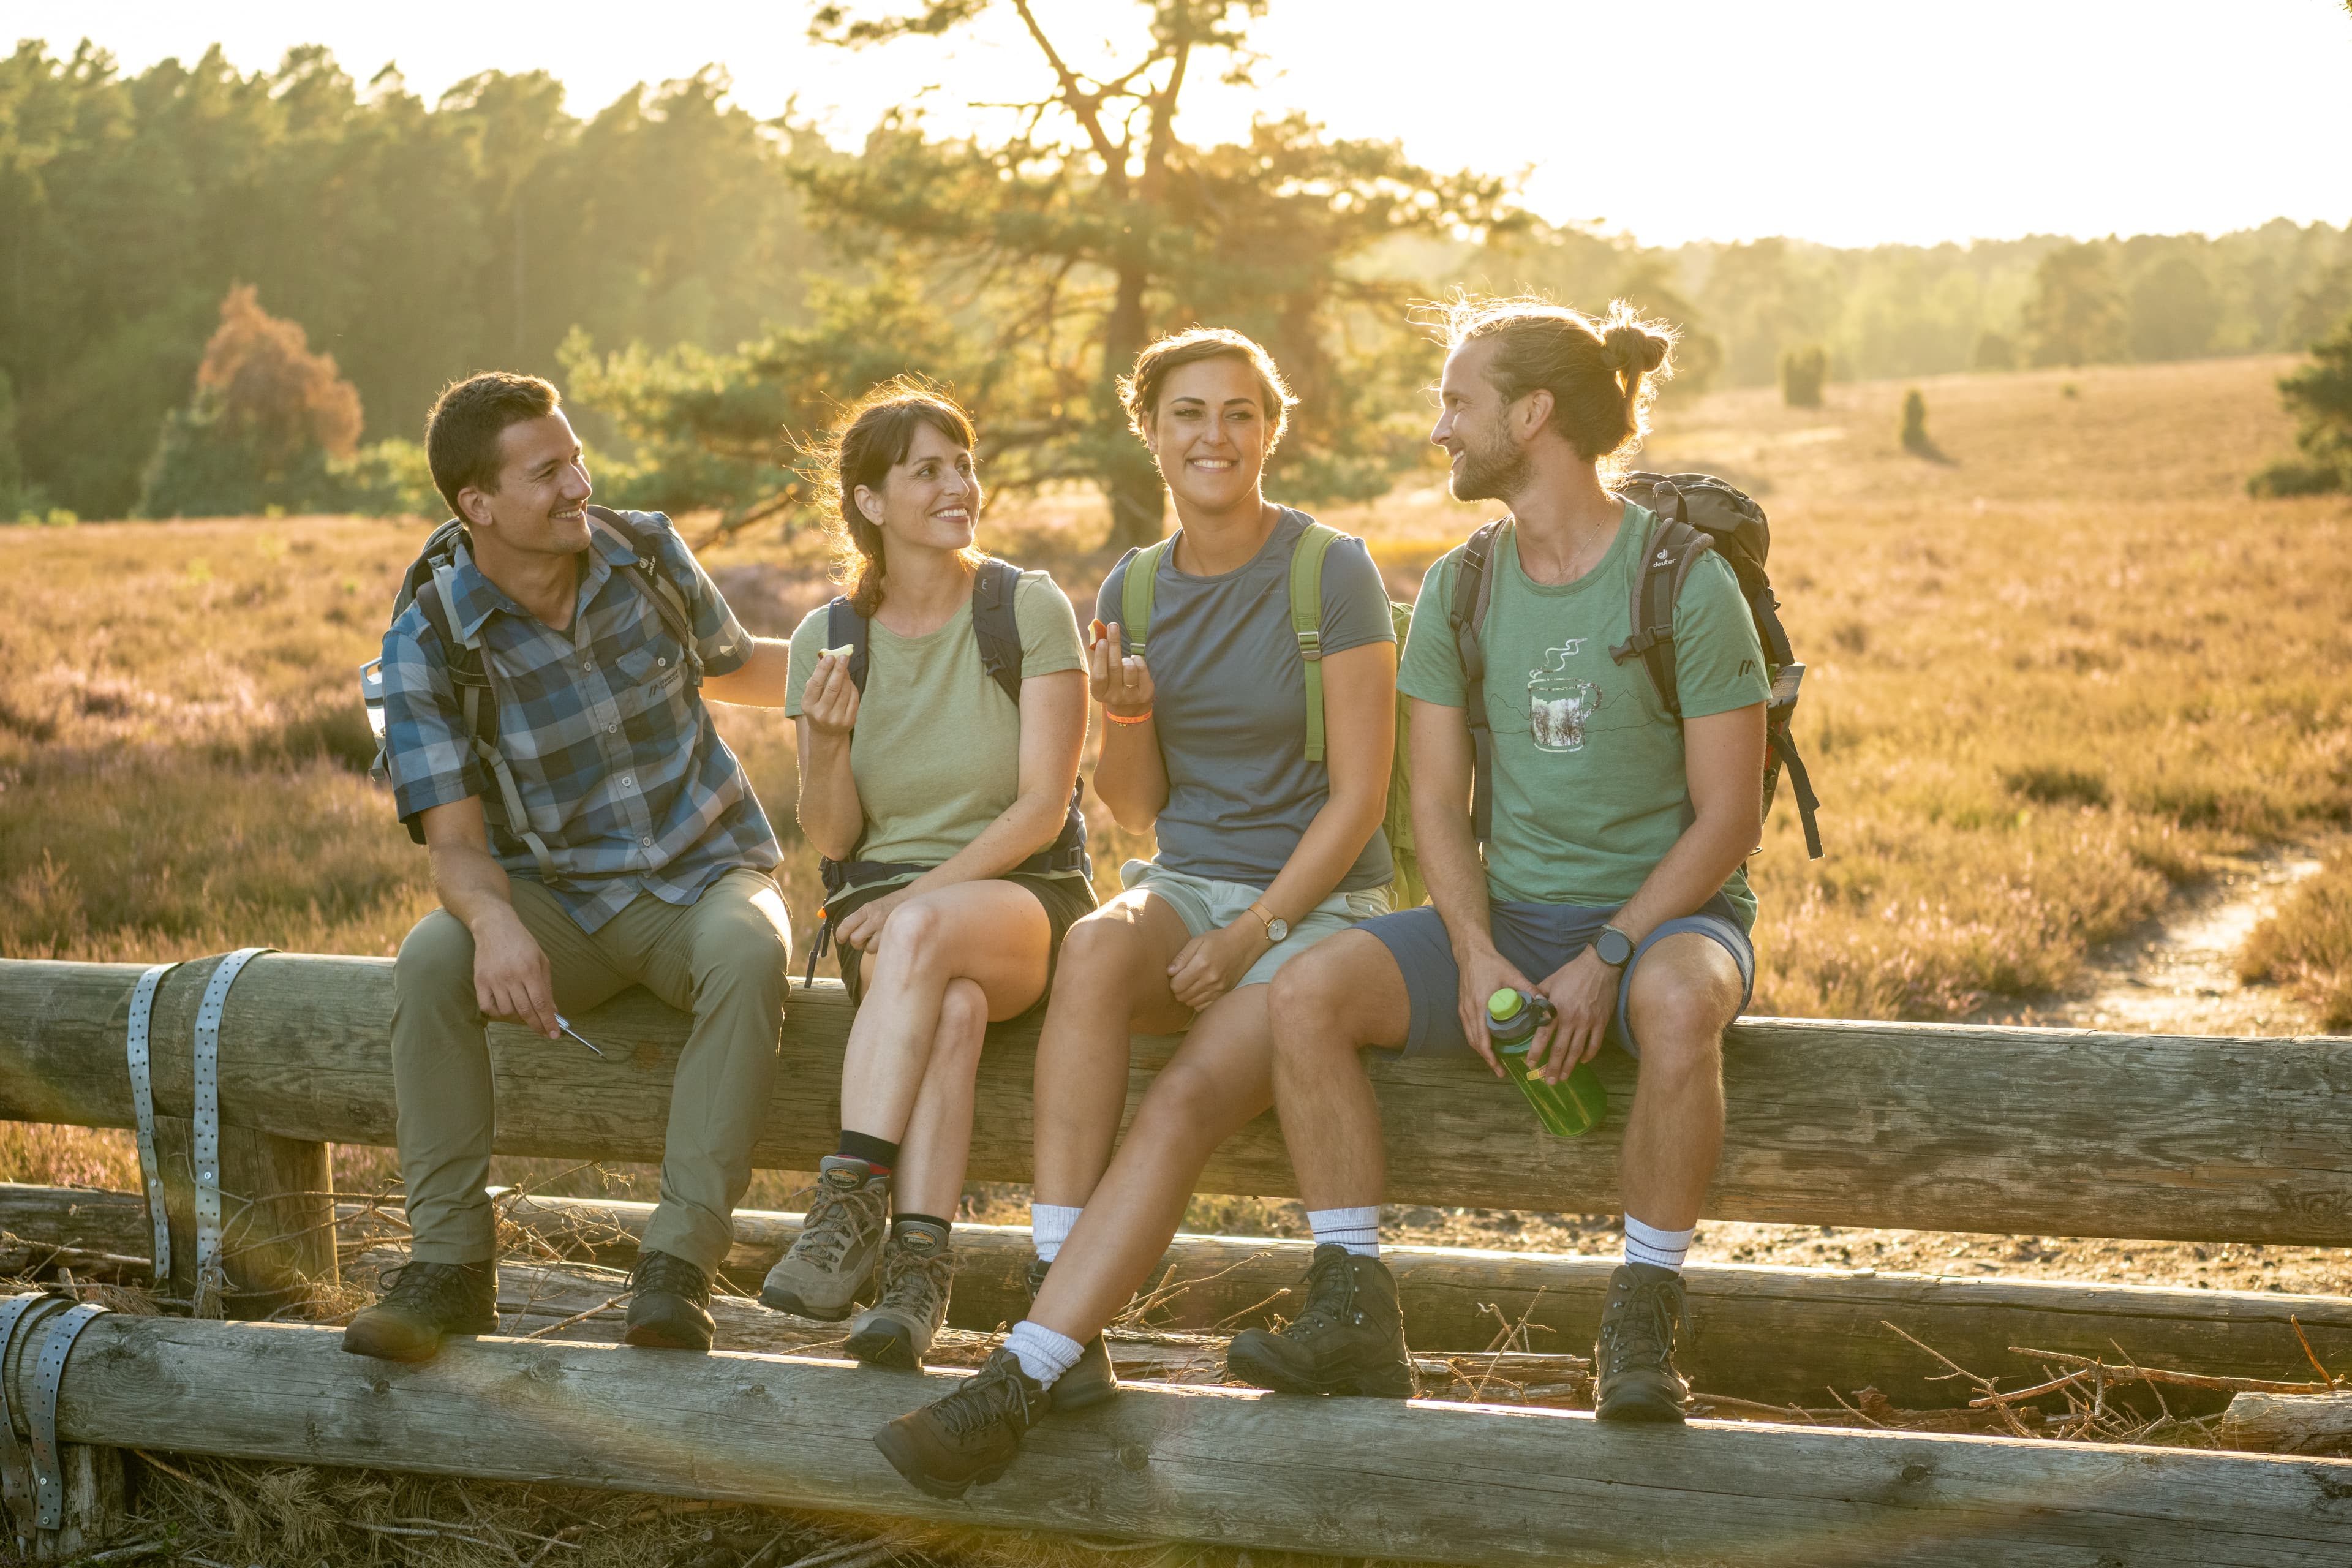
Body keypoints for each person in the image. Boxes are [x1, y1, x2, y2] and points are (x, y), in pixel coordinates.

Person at [874, 327, 1399, 1496]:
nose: (1215, 436)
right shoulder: (1137, 587)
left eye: (1239, 414)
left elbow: (1362, 799)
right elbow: (1133, 811)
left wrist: (1256, 929)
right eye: (1189, 415)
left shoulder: (1332, 571)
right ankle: (1074, 1307)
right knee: (1096, 947)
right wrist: (1127, 716)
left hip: (1315, 909)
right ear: (1150, 431)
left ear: (1270, 430)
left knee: (1184, 1104)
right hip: (1184, 886)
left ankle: (1027, 1368)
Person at [1238, 297, 1768, 1422]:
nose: (1441, 428)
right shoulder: (1461, 585)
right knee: (1307, 994)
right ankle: (1351, 1308)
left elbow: (1730, 818)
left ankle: (1643, 1315)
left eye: (1457, 402)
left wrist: (1613, 953)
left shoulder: (1686, 581)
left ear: (1533, 414)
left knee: (1680, 1009)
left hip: (1670, 920)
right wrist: (1476, 953)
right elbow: (1434, 800)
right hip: (1508, 919)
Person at [345, 372, 796, 1362]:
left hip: (703, 870)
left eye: (577, 457)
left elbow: (741, 663)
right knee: (429, 961)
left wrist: (894, 666)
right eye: (547, 472)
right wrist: (499, 926)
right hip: (562, 901)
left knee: (750, 952)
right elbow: (456, 845)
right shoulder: (428, 640)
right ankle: (452, 1268)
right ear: (479, 505)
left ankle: (678, 1266)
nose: (578, 484)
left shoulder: (646, 553)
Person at [759, 381, 1093, 1370]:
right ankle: (914, 1279)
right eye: (928, 471)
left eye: (964, 465)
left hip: (1025, 896)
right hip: (889, 917)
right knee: (947, 1013)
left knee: (918, 940)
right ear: (870, 503)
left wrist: (918, 898)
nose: (960, 486)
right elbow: (831, 834)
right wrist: (823, 745)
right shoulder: (830, 638)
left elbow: (1044, 806)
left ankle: (847, 1197)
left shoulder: (1025, 607)